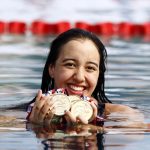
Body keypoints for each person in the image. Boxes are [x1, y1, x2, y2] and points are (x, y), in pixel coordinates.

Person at [27, 28, 143, 126]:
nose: (79, 77)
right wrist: (35, 126)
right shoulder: (21, 116)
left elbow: (134, 135)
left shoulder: (120, 115)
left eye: (90, 68)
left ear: (99, 74)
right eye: (70, 65)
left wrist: (89, 131)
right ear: (52, 69)